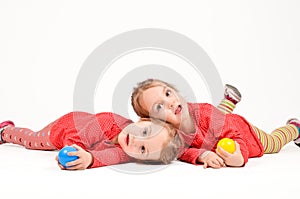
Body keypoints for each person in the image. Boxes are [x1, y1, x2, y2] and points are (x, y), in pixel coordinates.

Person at [131, 79, 300, 169]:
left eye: (168, 93)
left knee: (273, 142)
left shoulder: (204, 113)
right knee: (216, 122)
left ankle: (294, 128)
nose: (170, 102)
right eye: (159, 107)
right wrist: (203, 155)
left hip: (245, 134)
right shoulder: (174, 136)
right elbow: (183, 152)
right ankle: (229, 101)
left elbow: (235, 134)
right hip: (217, 128)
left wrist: (239, 158)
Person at [0, 111, 183, 170]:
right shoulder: (107, 122)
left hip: (79, 132)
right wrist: (74, 150)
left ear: (142, 159)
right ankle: (6, 131)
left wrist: (89, 159)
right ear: (142, 120)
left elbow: (108, 157)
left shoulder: (128, 152)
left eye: (143, 149)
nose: (136, 141)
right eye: (144, 132)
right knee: (32, 141)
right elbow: (76, 138)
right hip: (67, 127)